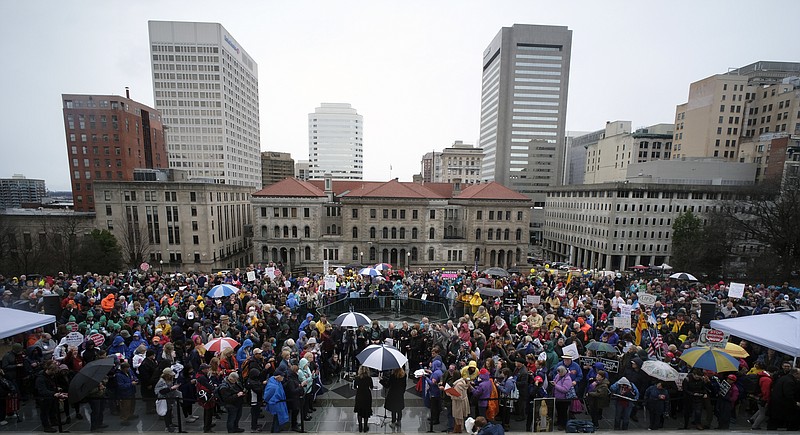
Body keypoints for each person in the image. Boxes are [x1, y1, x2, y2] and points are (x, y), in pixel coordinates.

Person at [34, 364, 65, 433]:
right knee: (44, 412)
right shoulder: (40, 378)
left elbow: (50, 385)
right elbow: (42, 390)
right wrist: (53, 393)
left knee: (52, 409)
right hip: (43, 398)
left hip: (50, 396)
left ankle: (53, 421)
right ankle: (46, 426)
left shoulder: (50, 376)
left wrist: (56, 389)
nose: (55, 373)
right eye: (54, 371)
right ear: (50, 370)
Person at [156, 367, 182, 433]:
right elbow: (161, 391)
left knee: (170, 411)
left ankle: (170, 423)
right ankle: (167, 427)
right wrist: (171, 388)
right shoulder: (161, 381)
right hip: (164, 399)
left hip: (169, 398)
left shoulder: (169, 380)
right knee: (166, 413)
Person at [263, 369, 288, 433]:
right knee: (277, 418)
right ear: (278, 377)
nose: (283, 378)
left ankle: (275, 429)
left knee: (277, 418)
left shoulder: (275, 381)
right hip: (276, 404)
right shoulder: (273, 386)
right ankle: (275, 431)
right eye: (282, 376)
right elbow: (267, 396)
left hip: (278, 403)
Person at [195, 363, 217, 433]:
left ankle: (208, 424)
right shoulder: (202, 377)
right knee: (208, 412)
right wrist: (213, 389)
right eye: (207, 368)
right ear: (203, 369)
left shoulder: (202, 376)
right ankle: (207, 427)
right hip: (206, 396)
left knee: (208, 411)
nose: (208, 369)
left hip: (207, 396)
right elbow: (208, 386)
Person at [551, 365, 573, 430]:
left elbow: (565, 389)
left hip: (564, 399)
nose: (558, 374)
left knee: (563, 412)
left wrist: (555, 385)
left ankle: (563, 424)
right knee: (558, 411)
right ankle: (558, 421)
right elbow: (555, 380)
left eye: (560, 372)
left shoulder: (568, 379)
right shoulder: (558, 376)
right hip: (557, 397)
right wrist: (553, 382)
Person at [353, 365, 373, 433]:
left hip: (359, 395)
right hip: (367, 395)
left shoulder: (357, 378)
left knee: (359, 411)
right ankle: (365, 427)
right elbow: (371, 387)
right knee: (366, 411)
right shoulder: (369, 378)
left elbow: (355, 387)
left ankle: (360, 427)